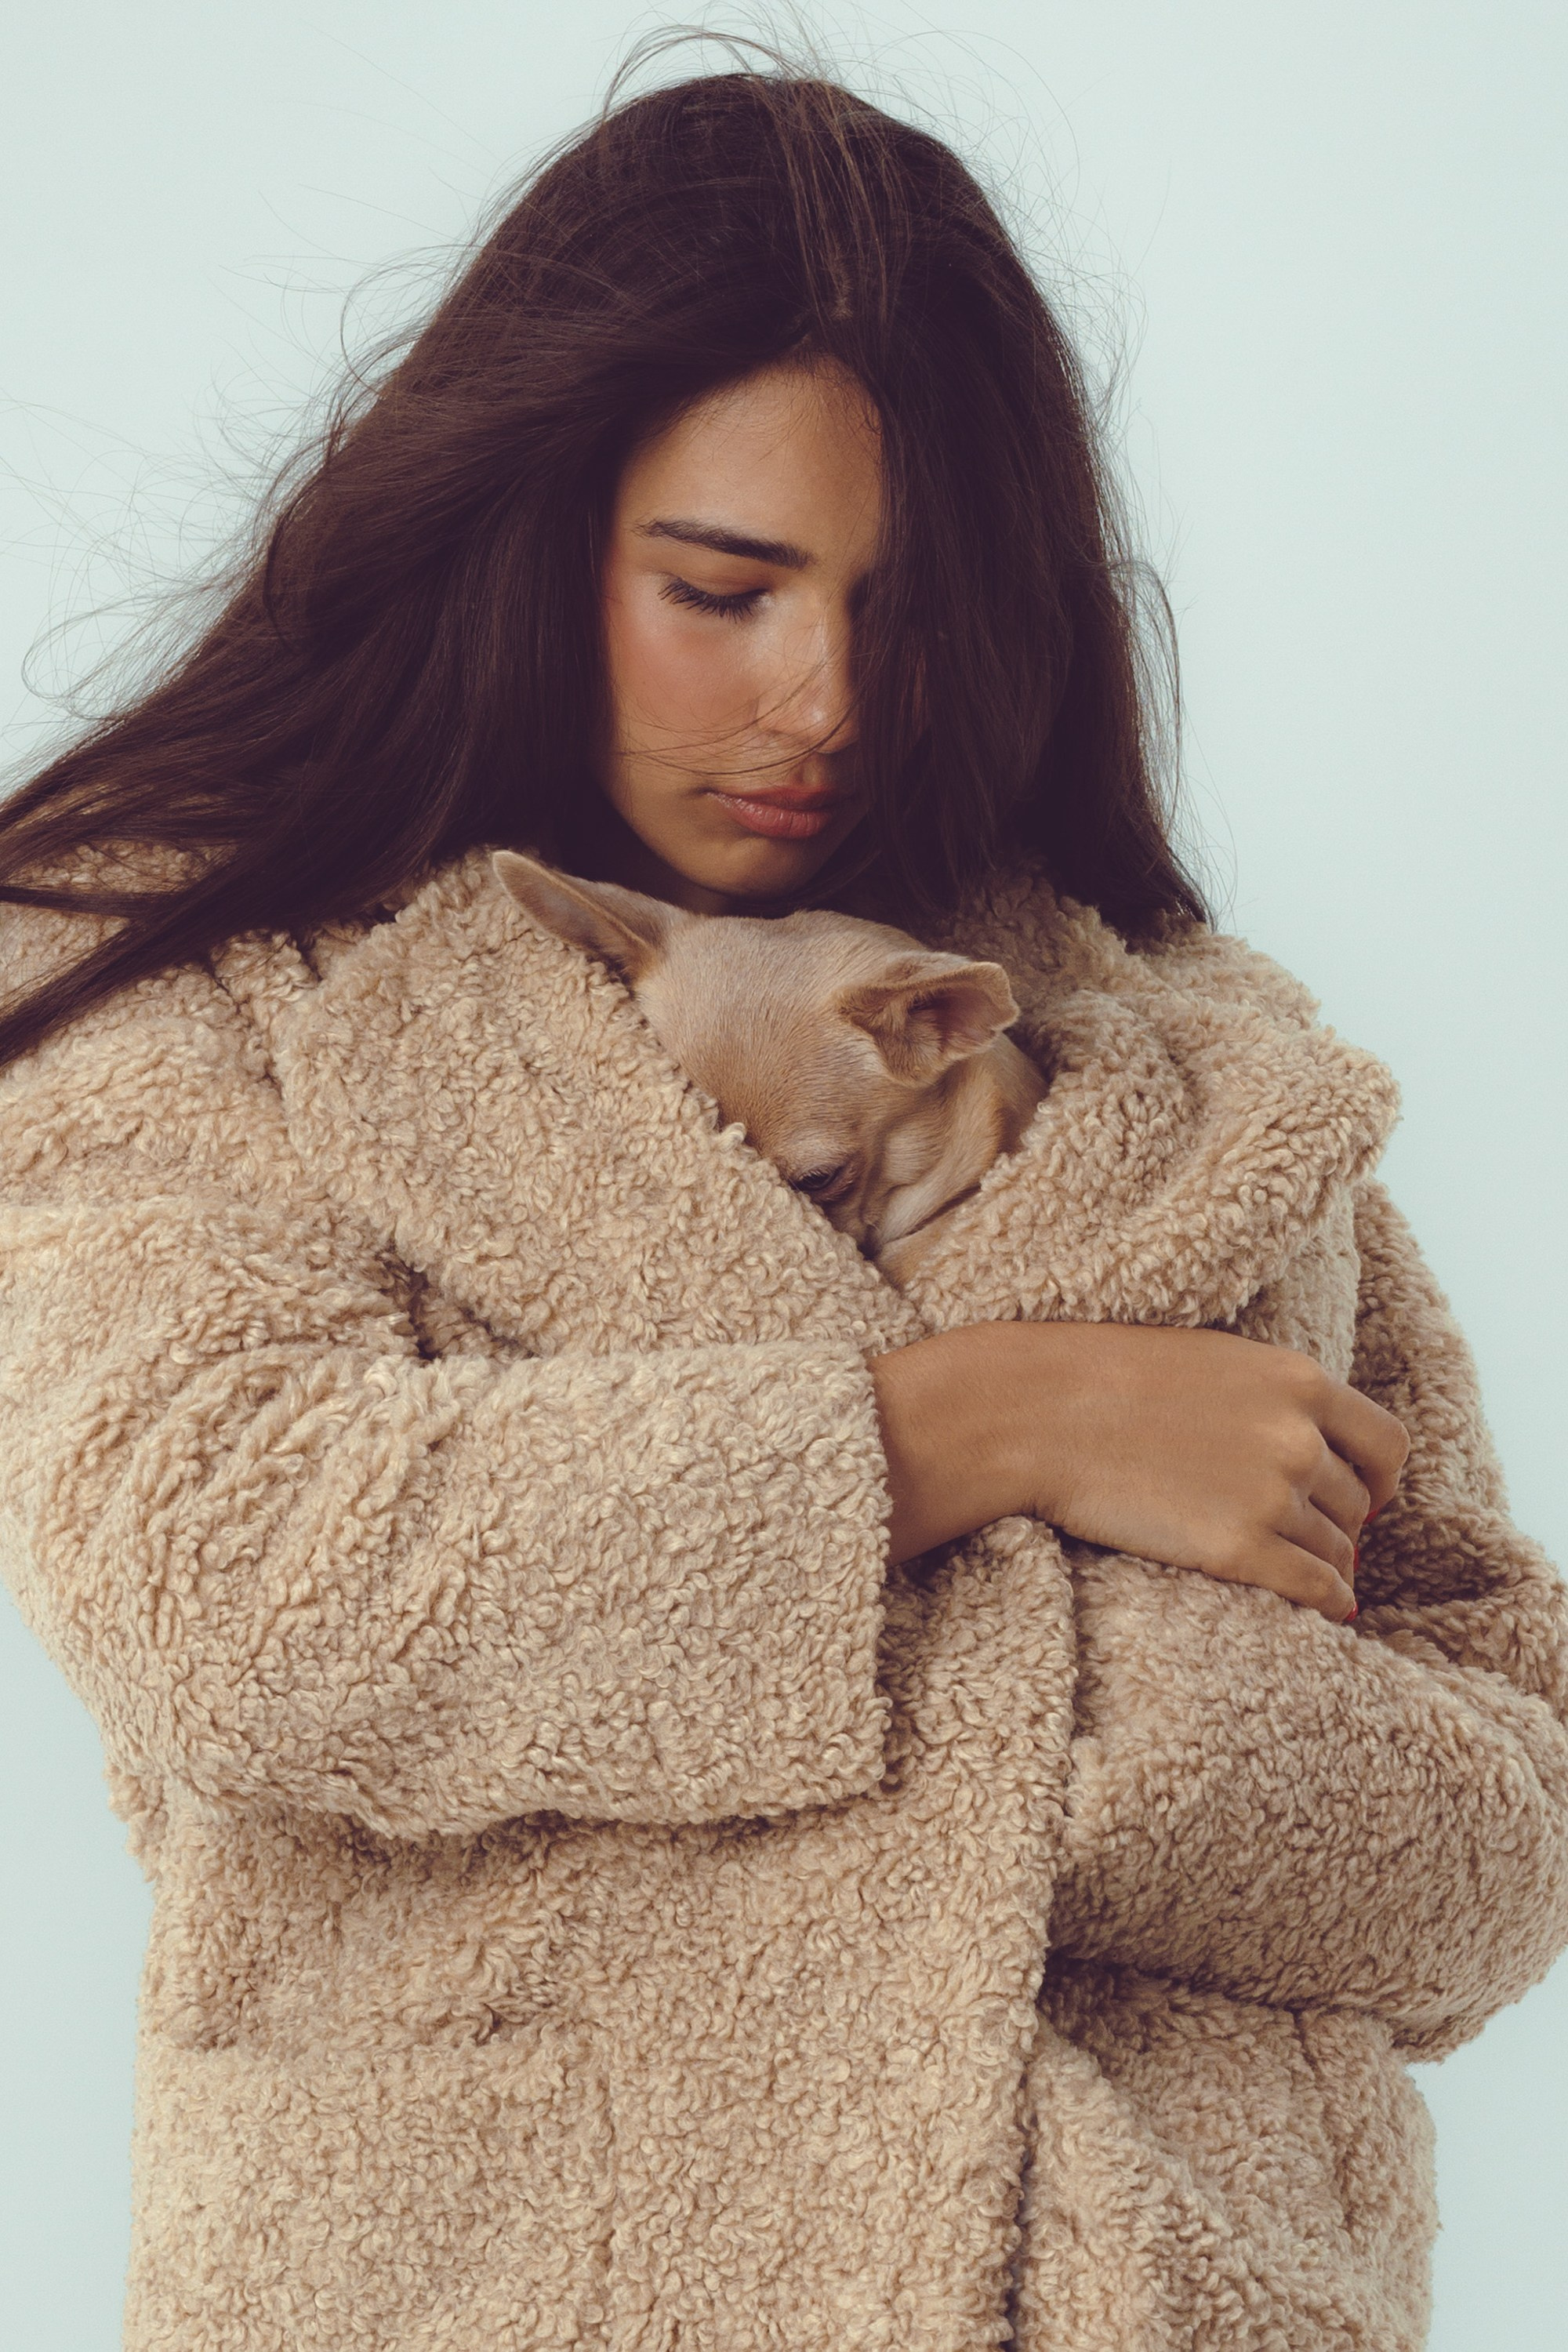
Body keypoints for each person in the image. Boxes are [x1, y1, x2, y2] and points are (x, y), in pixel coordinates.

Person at [1, 64, 1563, 2352]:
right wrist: (996, 1428)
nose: (818, 697)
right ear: (538, 525)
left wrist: (1005, 1727)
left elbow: (1510, 1834)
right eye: (719, 589)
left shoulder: (1202, 1052)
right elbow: (227, 1572)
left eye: (900, 606)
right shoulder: (211, 968)